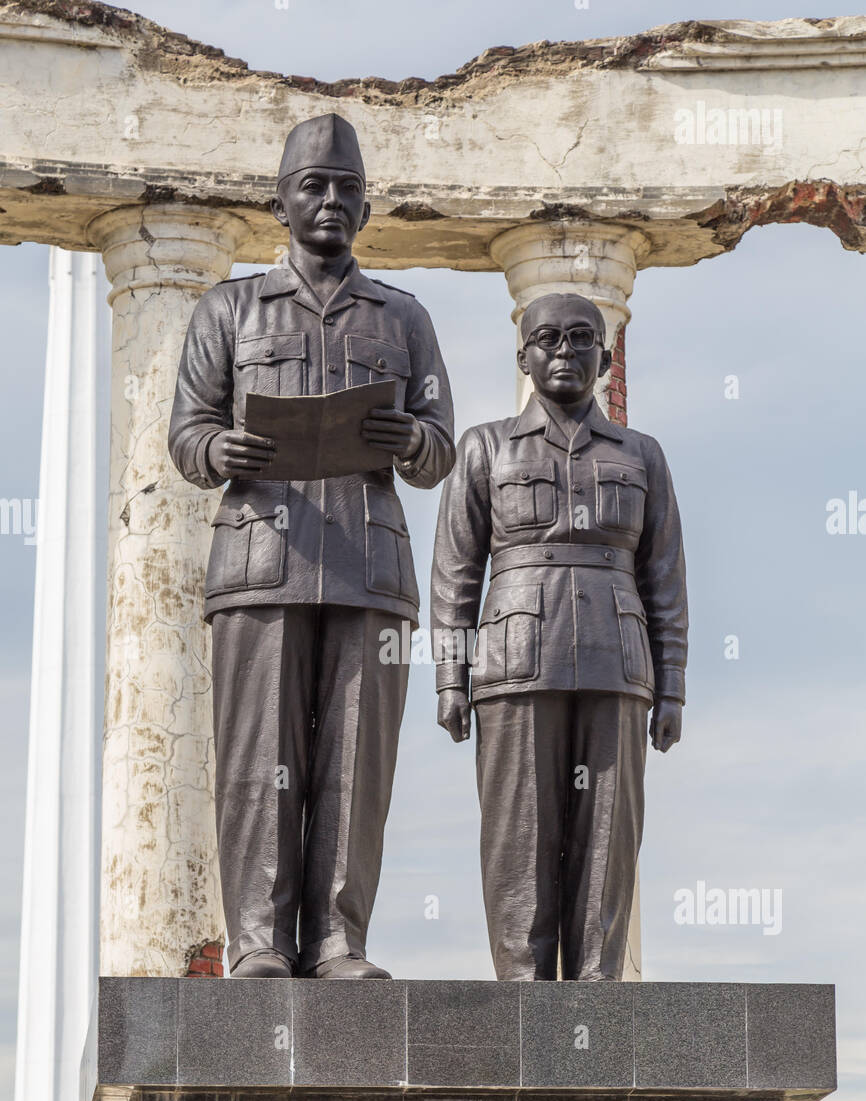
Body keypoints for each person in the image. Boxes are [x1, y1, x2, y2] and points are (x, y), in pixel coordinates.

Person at [169, 114, 454, 979]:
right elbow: (187, 433)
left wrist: (409, 438)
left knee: (356, 768)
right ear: (281, 200)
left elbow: (443, 449)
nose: (331, 200)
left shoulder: (404, 317)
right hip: (261, 562)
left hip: (368, 569)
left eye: (347, 188)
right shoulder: (229, 308)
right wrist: (221, 451)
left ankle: (338, 940)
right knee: (261, 761)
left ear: (367, 207)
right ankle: (258, 940)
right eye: (314, 185)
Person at [431, 292, 686, 980]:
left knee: (607, 837)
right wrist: (449, 679)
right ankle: (523, 996)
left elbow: (664, 577)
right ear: (523, 356)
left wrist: (674, 691)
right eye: (548, 339)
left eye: (582, 340)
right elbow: (456, 575)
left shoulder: (643, 455)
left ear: (605, 358)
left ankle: (596, 995)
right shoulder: (483, 448)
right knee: (519, 838)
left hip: (618, 665)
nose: (565, 352)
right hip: (513, 664)